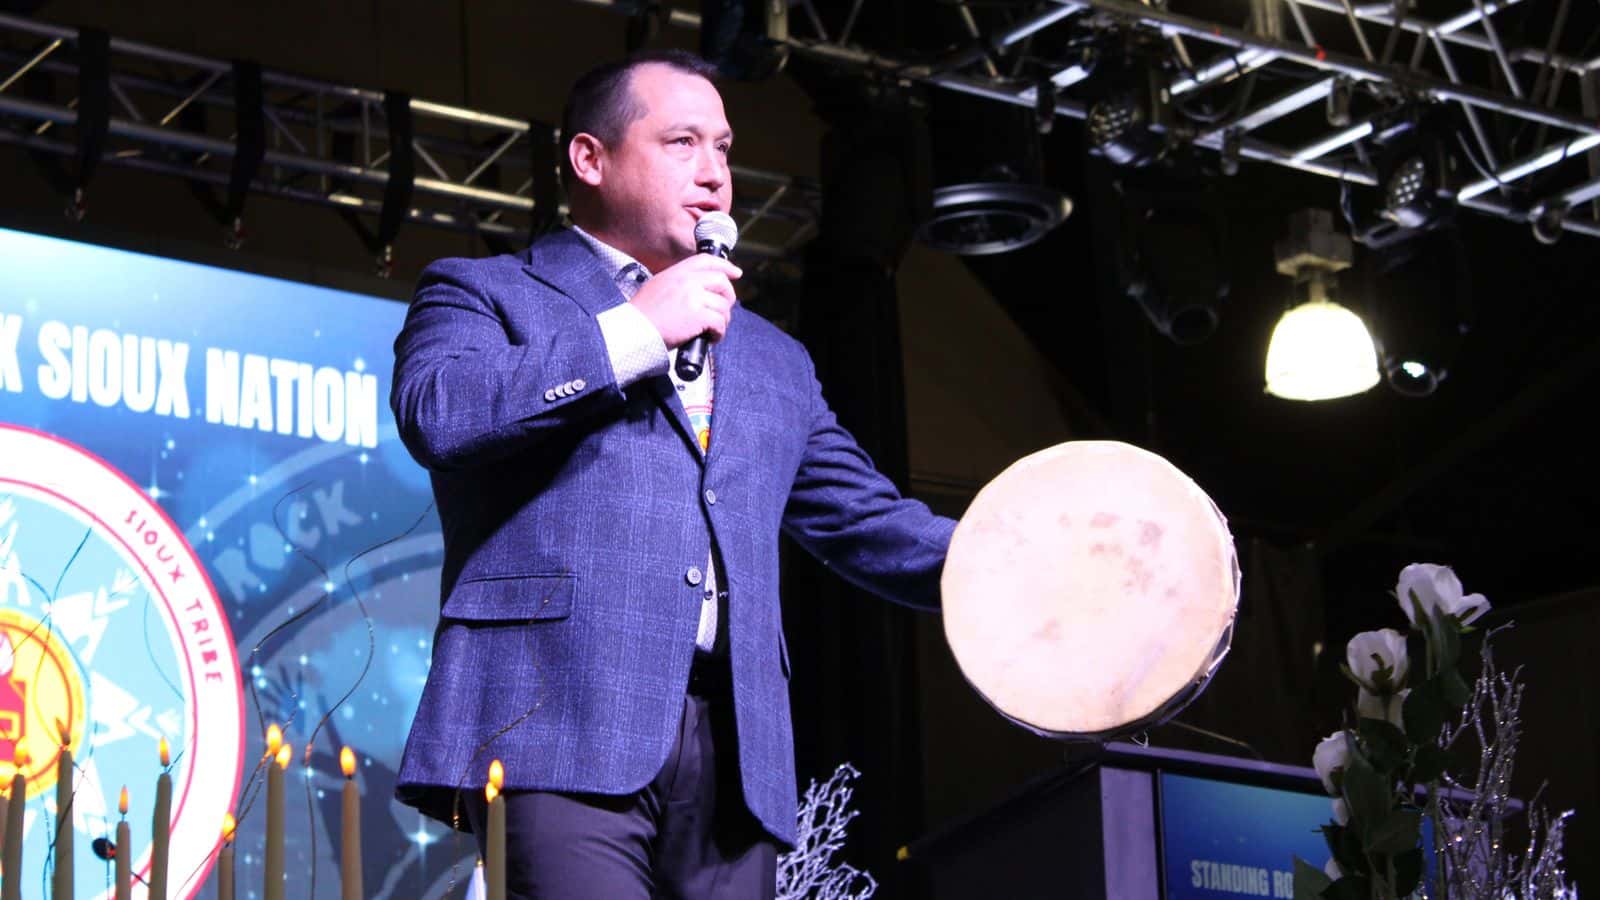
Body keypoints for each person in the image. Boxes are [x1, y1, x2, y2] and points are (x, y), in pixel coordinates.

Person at [389, 49, 954, 900]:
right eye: (683, 142)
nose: (715, 174)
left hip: (737, 749)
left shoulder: (772, 359)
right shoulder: (486, 291)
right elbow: (440, 411)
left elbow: (871, 522)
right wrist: (635, 332)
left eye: (723, 148)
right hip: (556, 726)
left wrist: (1022, 570)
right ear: (591, 158)